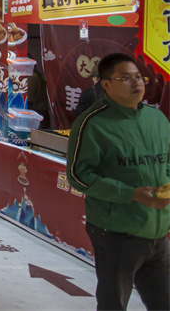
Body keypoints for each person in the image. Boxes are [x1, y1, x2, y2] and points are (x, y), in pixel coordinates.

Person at [67, 53, 169, 311]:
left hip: (158, 233)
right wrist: (131, 194)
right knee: (114, 303)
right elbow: (79, 176)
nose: (136, 83)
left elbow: (166, 163)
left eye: (138, 77)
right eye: (125, 78)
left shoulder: (156, 119)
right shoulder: (93, 123)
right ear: (106, 85)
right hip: (116, 232)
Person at [25, 63, 51, 130]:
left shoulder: (32, 78)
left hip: (36, 116)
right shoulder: (37, 77)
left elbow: (29, 102)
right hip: (41, 115)